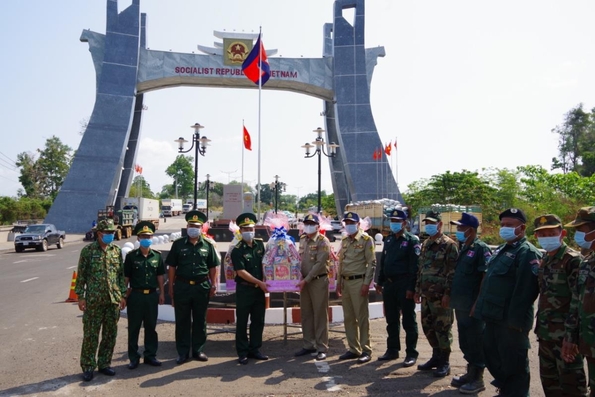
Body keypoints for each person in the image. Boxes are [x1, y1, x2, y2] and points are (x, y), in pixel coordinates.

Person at [473, 208, 542, 396]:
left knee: (515, 364)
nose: (504, 229)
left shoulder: (527, 252)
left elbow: (525, 291)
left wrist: (515, 322)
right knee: (493, 356)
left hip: (511, 321)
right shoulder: (503, 249)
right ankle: (506, 390)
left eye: (509, 225)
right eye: (502, 225)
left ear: (522, 228)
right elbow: (489, 282)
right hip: (493, 316)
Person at [532, 214, 587, 396]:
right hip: (545, 333)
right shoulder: (546, 259)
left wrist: (571, 337)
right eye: (542, 234)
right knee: (550, 383)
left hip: (564, 336)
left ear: (562, 233)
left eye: (551, 233)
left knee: (572, 385)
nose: (547, 237)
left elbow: (578, 301)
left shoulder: (573, 260)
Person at [75, 219, 126, 382]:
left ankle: (104, 364)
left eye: (112, 232)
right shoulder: (88, 251)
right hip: (94, 301)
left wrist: (122, 295)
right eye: (108, 233)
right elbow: (81, 276)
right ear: (99, 234)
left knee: (110, 334)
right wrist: (81, 297)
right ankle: (88, 366)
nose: (111, 235)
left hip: (113, 300)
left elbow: (120, 276)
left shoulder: (116, 251)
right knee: (90, 335)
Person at [167, 210, 219, 365]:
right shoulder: (178, 244)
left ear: (202, 227)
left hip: (201, 287)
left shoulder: (208, 245)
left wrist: (213, 284)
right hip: (182, 286)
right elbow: (172, 267)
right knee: (182, 320)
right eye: (191, 225)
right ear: (187, 226)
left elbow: (213, 266)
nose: (193, 228)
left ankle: (198, 350)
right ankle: (182, 352)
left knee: (200, 320)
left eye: (197, 226)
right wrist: (171, 286)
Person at [449, 213, 492, 393]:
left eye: (461, 228)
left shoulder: (481, 248)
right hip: (461, 305)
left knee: (475, 341)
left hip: (472, 306)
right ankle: (470, 373)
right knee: (465, 341)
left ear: (471, 230)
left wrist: (478, 303)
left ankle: (478, 379)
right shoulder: (464, 247)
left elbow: (485, 277)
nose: (458, 230)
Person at [414, 210, 459, 377]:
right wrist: (418, 290)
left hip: (441, 297)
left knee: (443, 329)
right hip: (426, 295)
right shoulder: (425, 244)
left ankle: (445, 362)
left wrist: (448, 294)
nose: (429, 226)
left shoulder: (449, 245)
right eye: (427, 223)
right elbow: (421, 269)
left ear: (440, 224)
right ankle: (436, 356)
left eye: (432, 223)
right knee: (428, 327)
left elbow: (452, 272)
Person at [375, 209, 420, 367]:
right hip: (389, 284)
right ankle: (392, 349)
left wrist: (411, 288)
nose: (393, 223)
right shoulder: (388, 240)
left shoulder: (412, 240)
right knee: (391, 319)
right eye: (392, 220)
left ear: (405, 223)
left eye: (397, 220)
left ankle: (411, 353)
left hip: (404, 284)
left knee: (408, 320)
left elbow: (414, 267)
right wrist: (380, 282)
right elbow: (384, 263)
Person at [124, 221, 165, 369]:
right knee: (133, 327)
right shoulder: (131, 257)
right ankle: (133, 358)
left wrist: (162, 293)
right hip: (136, 296)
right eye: (143, 236)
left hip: (152, 296)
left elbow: (160, 276)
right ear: (138, 238)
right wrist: (123, 296)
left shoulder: (157, 256)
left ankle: (150, 355)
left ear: (152, 237)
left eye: (148, 236)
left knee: (151, 327)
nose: (146, 238)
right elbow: (126, 278)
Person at [563, 206, 595, 395]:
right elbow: (576, 302)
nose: (577, 235)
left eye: (580, 230)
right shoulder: (587, 263)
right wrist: (570, 336)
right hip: (589, 343)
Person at [337, 211, 376, 364]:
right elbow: (341, 263)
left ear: (358, 224)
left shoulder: (366, 239)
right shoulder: (345, 240)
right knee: (348, 318)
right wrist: (338, 282)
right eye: (347, 223)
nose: (349, 226)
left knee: (362, 317)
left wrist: (367, 283)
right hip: (346, 282)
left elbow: (371, 263)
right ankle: (354, 348)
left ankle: (366, 349)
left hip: (359, 282)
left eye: (352, 223)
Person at [231, 212, 270, 365]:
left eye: (251, 229)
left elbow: (268, 263)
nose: (249, 232)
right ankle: (242, 352)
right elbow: (241, 272)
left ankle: (255, 349)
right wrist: (259, 282)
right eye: (245, 229)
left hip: (259, 290)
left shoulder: (260, 245)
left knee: (258, 320)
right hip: (245, 289)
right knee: (242, 321)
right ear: (240, 231)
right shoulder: (237, 249)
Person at [294, 214, 331, 361]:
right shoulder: (303, 239)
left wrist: (306, 279)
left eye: (311, 223)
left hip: (317, 281)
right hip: (304, 282)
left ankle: (322, 347)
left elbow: (319, 264)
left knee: (320, 314)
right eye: (306, 223)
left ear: (317, 226)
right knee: (306, 313)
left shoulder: (323, 241)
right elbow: (299, 260)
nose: (308, 226)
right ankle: (308, 344)